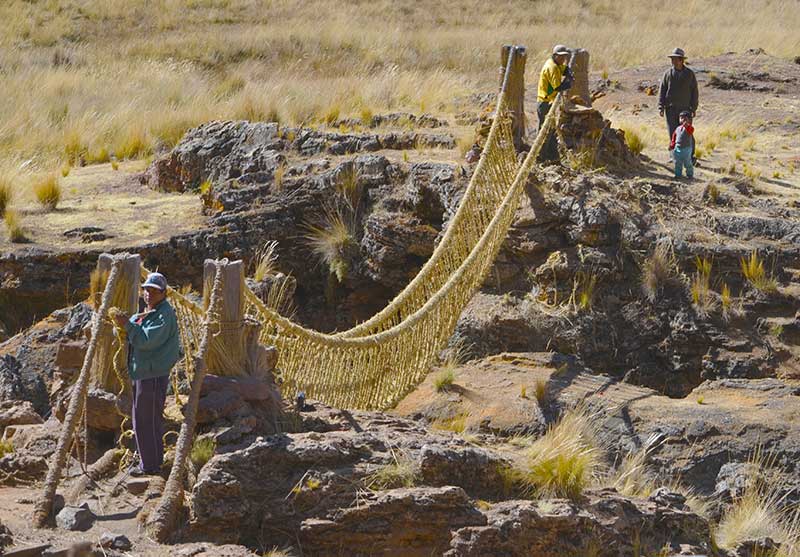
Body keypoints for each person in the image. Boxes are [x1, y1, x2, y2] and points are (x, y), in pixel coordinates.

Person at [113, 272, 181, 476]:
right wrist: (124, 325)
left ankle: (150, 466)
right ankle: (150, 461)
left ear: (163, 293)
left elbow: (146, 340)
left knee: (147, 420)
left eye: (153, 290)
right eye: (146, 289)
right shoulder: (147, 313)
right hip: (143, 372)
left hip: (152, 374)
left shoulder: (164, 315)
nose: (148, 294)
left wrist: (128, 326)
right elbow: (133, 329)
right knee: (142, 418)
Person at [658, 48, 699, 162]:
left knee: (687, 133)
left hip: (685, 109)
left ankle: (690, 157)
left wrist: (694, 108)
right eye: (672, 59)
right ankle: (674, 156)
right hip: (670, 108)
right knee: (672, 133)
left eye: (675, 59)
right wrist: (661, 106)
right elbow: (662, 90)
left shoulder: (689, 74)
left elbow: (694, 92)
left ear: (681, 60)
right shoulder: (667, 74)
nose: (673, 61)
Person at [537, 44, 574, 162]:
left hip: (548, 102)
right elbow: (557, 87)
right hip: (545, 103)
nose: (563, 59)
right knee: (545, 131)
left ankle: (553, 158)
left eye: (565, 56)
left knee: (551, 130)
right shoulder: (552, 67)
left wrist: (567, 71)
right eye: (561, 56)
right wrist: (568, 83)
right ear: (555, 55)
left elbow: (562, 69)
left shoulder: (556, 64)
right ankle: (540, 156)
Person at [670, 110, 695, 179]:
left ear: (689, 120)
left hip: (686, 148)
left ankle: (690, 174)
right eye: (681, 118)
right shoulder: (678, 128)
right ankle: (678, 175)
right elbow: (674, 137)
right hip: (677, 147)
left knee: (687, 162)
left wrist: (687, 126)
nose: (682, 120)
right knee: (677, 162)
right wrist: (672, 145)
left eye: (685, 119)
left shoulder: (689, 128)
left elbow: (691, 131)